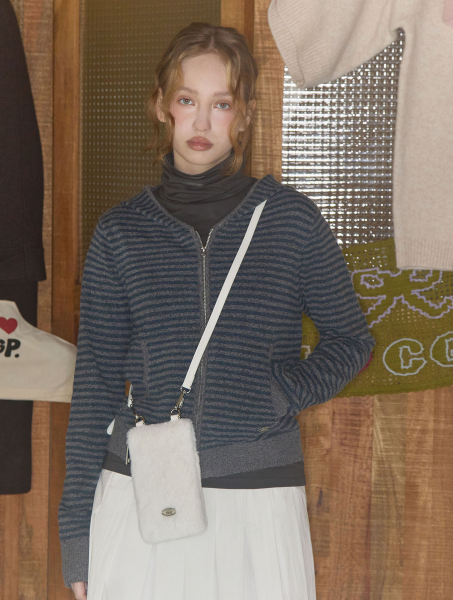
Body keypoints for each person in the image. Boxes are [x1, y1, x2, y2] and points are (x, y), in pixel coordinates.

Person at [59, 22, 375, 600]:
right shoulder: (120, 233)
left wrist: (279, 393)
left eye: (221, 104)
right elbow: (95, 386)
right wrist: (75, 535)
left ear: (244, 114)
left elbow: (351, 340)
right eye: (188, 101)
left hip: (258, 502)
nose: (202, 123)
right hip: (140, 498)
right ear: (162, 104)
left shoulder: (291, 221)